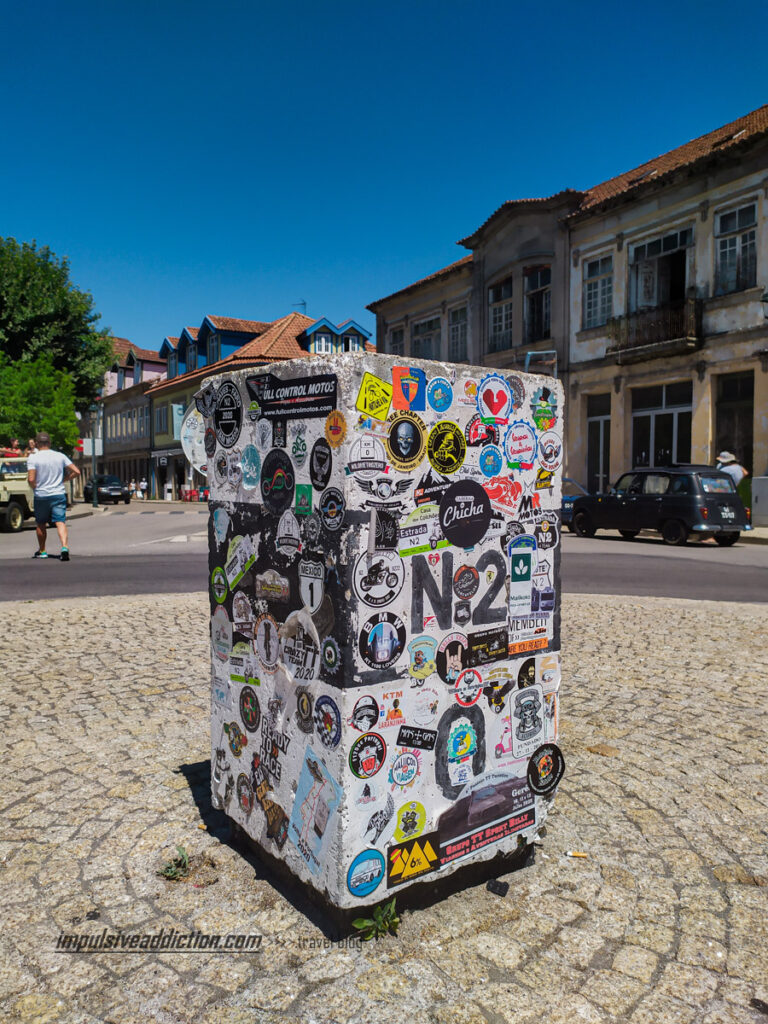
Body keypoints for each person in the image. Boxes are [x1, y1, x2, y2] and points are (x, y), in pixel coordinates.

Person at [27, 432, 81, 561]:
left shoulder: (33, 458)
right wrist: (64, 479)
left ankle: (43, 550)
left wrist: (35, 487)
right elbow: (77, 471)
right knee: (60, 521)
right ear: (49, 443)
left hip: (41, 495)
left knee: (41, 523)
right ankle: (64, 547)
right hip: (58, 494)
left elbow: (31, 479)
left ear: (37, 443)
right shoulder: (60, 456)